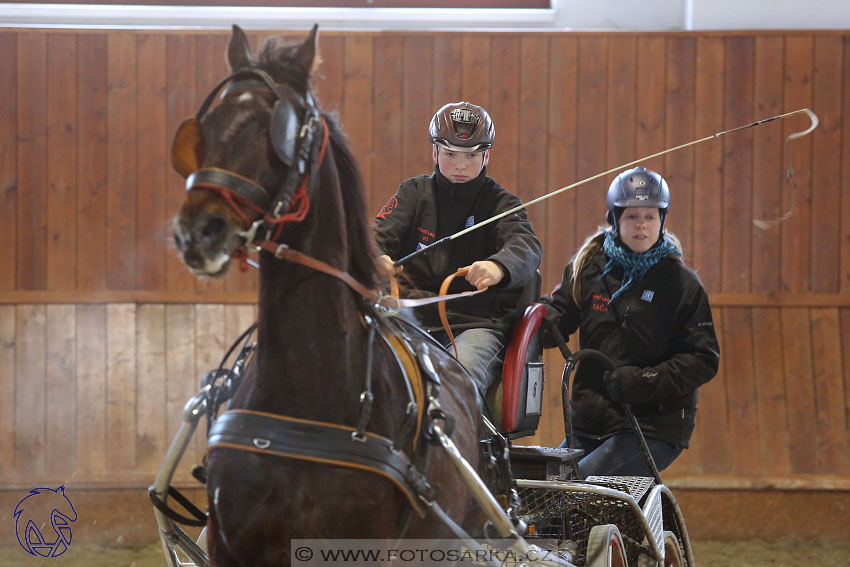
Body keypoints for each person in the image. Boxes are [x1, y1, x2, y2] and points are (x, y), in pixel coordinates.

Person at [540, 166, 719, 477]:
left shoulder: (683, 285)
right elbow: (561, 313)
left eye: (650, 217)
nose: (641, 226)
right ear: (615, 219)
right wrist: (544, 317)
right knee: (552, 486)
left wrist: (645, 380)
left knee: (579, 485)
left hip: (652, 428)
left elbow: (703, 359)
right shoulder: (588, 269)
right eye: (632, 217)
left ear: (662, 221)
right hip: (590, 421)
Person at [374, 101, 543, 401]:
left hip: (475, 324)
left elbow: (526, 246)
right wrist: (376, 257)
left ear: (486, 155)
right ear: (435, 152)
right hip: (411, 317)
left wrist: (499, 267)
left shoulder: (502, 203)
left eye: (472, 155)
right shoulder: (413, 193)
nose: (461, 165)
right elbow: (375, 236)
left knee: (458, 375)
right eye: (450, 154)